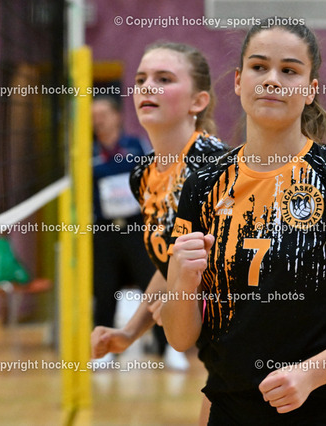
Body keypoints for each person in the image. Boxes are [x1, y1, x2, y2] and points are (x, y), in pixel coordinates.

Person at [161, 21, 326, 425]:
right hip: (228, 408)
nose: (272, 80)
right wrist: (182, 284)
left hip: (323, 408)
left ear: (310, 89)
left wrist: (310, 374)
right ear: (238, 82)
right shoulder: (201, 186)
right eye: (259, 67)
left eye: (289, 70)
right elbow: (179, 337)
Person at [90, 41, 228, 377]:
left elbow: (233, 264)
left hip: (253, 340)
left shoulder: (214, 164)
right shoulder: (143, 173)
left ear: (198, 101)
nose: (147, 87)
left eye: (164, 79)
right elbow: (170, 264)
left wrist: (183, 303)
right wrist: (128, 333)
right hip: (219, 354)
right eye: (140, 80)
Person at [91, 95, 158, 359]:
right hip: (105, 231)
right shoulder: (88, 152)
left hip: (137, 228)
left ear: (118, 116)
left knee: (151, 283)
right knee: (104, 289)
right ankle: (104, 349)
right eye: (94, 115)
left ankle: (167, 348)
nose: (99, 120)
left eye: (104, 113)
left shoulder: (138, 146)